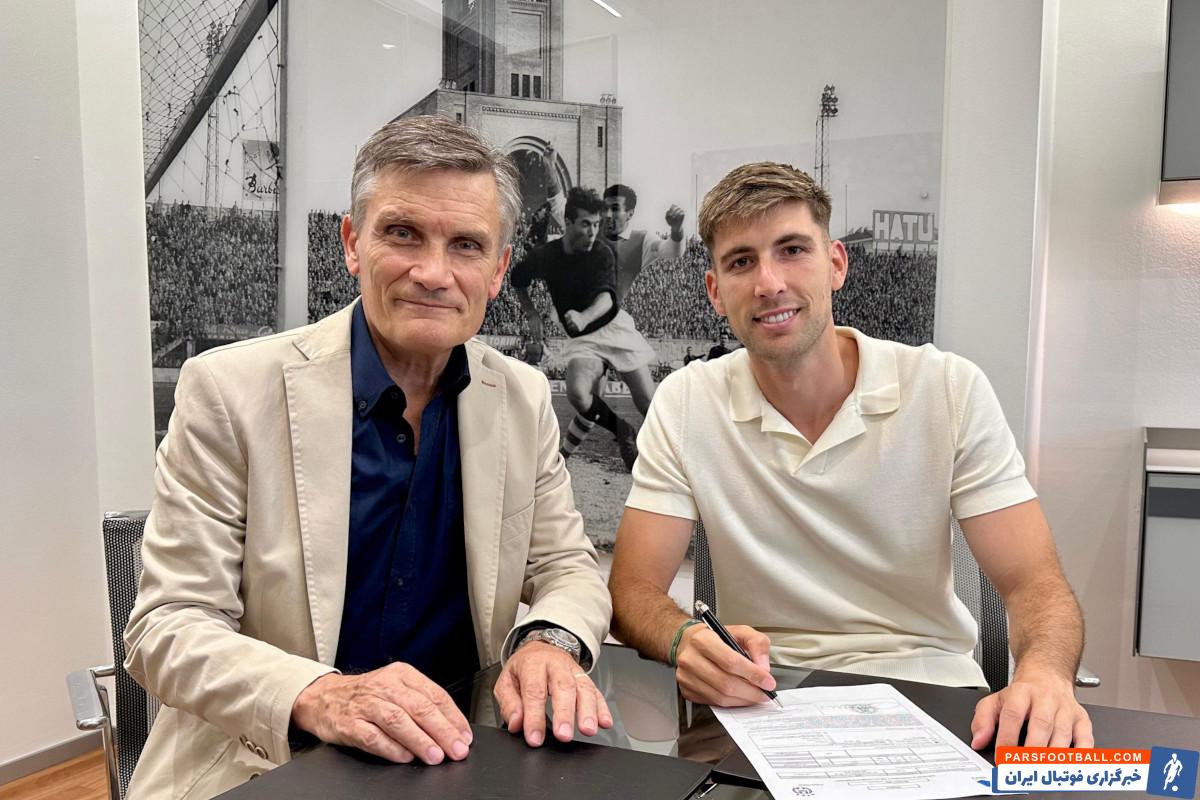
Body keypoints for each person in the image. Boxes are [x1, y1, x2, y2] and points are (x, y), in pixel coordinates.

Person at [124, 116, 613, 800]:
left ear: (499, 269)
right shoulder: (229, 390)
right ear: (353, 244)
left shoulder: (521, 397)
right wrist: (319, 694)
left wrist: (548, 641)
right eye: (403, 233)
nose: (433, 273)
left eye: (466, 245)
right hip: (270, 765)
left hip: (458, 759)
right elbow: (167, 627)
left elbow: (566, 566)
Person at [608, 161, 1093, 751]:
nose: (768, 283)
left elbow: (1035, 584)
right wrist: (684, 638)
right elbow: (633, 590)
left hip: (928, 688)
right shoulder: (687, 401)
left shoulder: (947, 388)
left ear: (836, 264)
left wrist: (1045, 674)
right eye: (741, 262)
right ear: (714, 291)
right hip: (759, 698)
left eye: (792, 250)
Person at [513, 186, 655, 471]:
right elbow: (518, 279)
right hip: (585, 339)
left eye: (596, 225)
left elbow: (607, 299)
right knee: (579, 394)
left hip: (615, 329)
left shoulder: (602, 253)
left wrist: (583, 315)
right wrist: (531, 314)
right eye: (586, 224)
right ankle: (622, 430)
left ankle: (673, 463)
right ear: (568, 223)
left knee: (649, 404)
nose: (593, 232)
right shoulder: (546, 256)